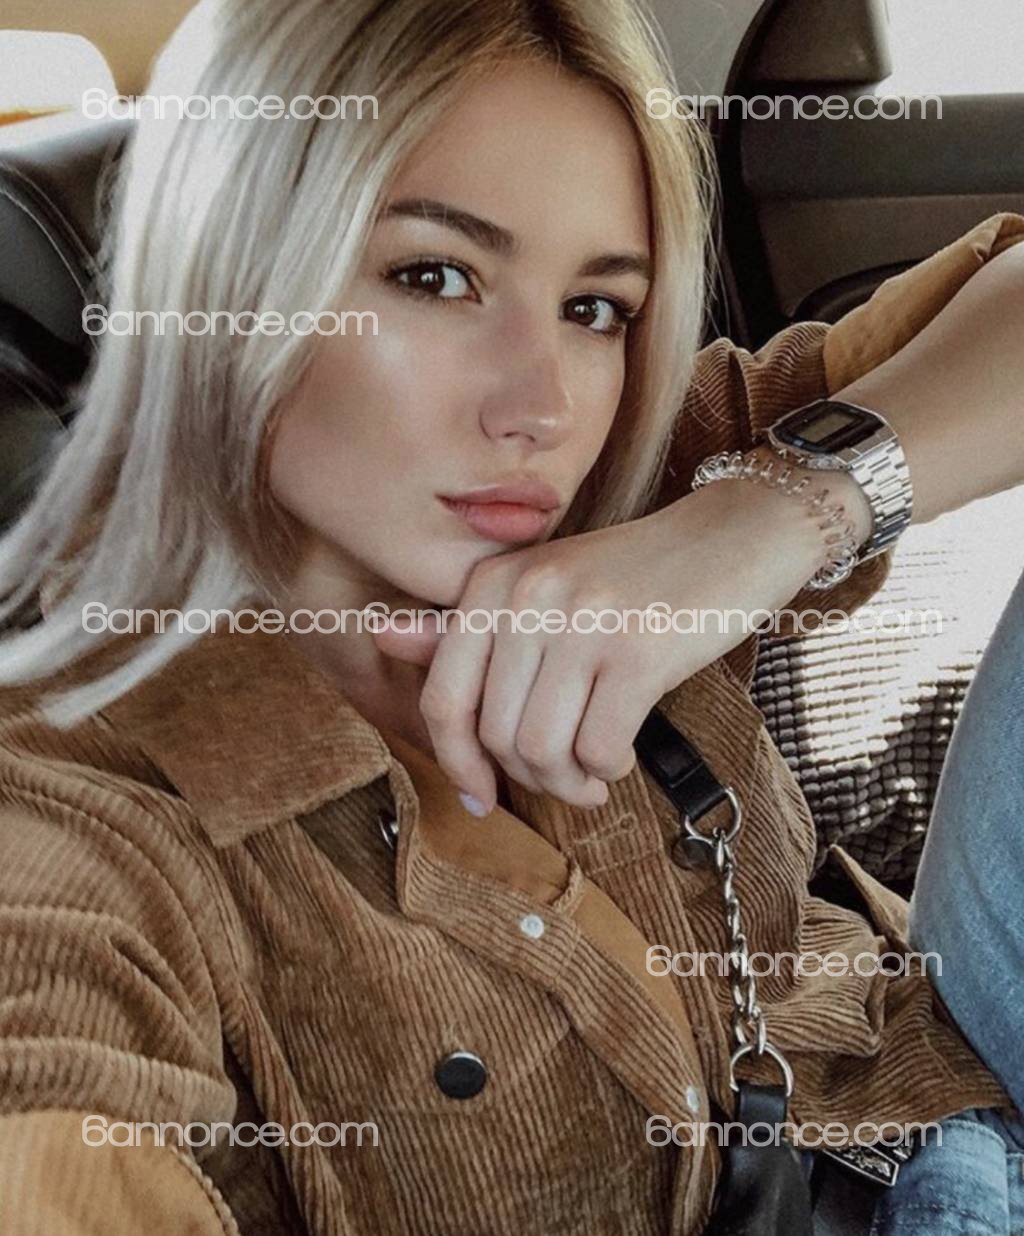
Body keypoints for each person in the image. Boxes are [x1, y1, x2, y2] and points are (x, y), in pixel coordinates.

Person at [0, 1, 1022, 1232]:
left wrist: (764, 521)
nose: (541, 406)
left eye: (597, 308)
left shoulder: (639, 480)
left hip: (943, 1078)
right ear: (221, 274)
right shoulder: (73, 820)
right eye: (434, 277)